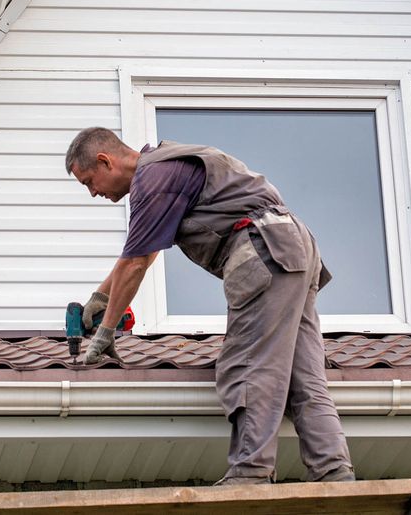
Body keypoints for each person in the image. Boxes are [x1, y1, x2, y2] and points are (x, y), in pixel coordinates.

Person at [64, 127, 355, 486]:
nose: (94, 193)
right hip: (293, 248)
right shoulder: (167, 166)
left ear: (105, 161)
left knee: (247, 366)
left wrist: (105, 332)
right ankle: (334, 471)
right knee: (303, 375)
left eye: (89, 182)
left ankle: (251, 473)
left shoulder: (151, 177)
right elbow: (147, 250)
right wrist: (103, 298)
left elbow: (136, 262)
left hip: (263, 251)